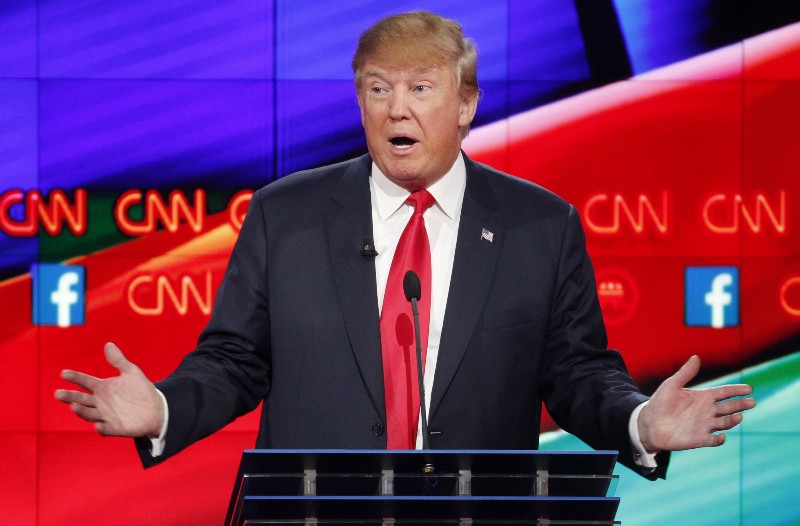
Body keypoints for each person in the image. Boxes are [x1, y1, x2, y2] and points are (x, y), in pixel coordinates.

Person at [55, 11, 754, 480]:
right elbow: (236, 362)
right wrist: (165, 410)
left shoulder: (539, 225)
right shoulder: (285, 216)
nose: (398, 108)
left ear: (467, 104)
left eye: (421, 88)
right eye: (378, 89)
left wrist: (638, 422)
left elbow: (575, 375)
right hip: (311, 514)